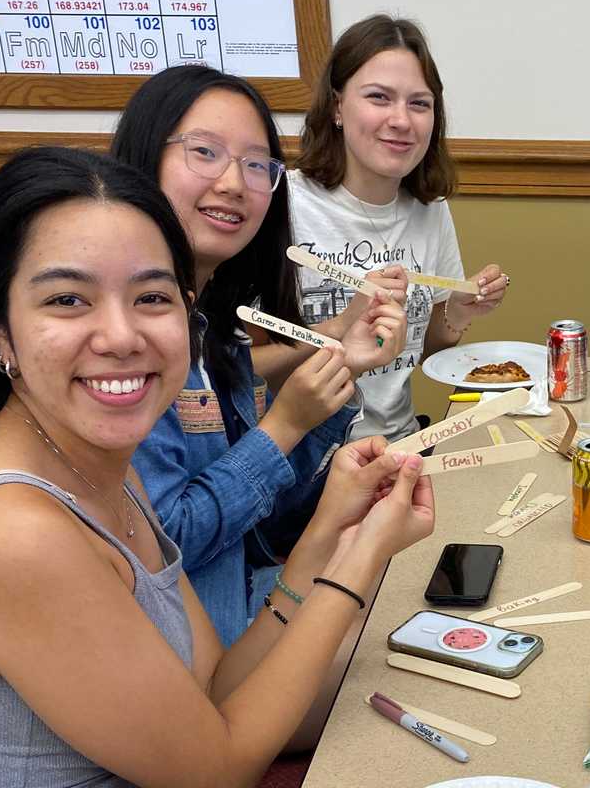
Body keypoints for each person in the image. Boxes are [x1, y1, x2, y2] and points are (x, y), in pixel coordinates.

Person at [0, 146, 434, 786]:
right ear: (0, 329)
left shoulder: (102, 470)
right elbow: (218, 770)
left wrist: (327, 533)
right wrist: (361, 559)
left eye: (151, 297)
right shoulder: (19, 532)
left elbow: (215, 687)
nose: (120, 336)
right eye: (67, 300)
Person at [111, 65, 408, 646]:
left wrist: (333, 388)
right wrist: (286, 424)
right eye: (205, 151)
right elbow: (165, 543)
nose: (232, 183)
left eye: (256, 165)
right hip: (178, 666)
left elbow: (260, 524)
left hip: (241, 610)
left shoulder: (211, 330)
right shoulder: (122, 340)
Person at [262, 14, 510, 443]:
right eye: (379, 97)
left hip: (401, 444)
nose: (401, 120)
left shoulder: (430, 211)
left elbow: (426, 350)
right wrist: (339, 327)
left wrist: (457, 313)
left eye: (419, 103)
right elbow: (234, 367)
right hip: (298, 463)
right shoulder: (278, 202)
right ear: (337, 105)